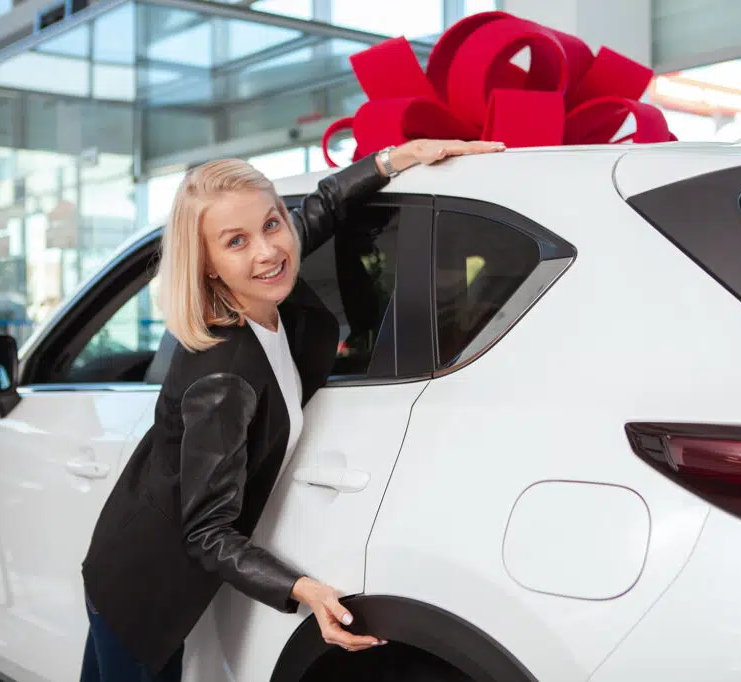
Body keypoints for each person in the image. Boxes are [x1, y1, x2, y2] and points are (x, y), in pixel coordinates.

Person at [79, 138, 506, 682]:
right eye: (236, 241)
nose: (268, 250)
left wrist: (394, 158)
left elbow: (321, 207)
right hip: (144, 585)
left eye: (272, 224)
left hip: (163, 570)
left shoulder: (264, 282)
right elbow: (207, 530)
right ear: (208, 264)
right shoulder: (222, 376)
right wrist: (304, 590)